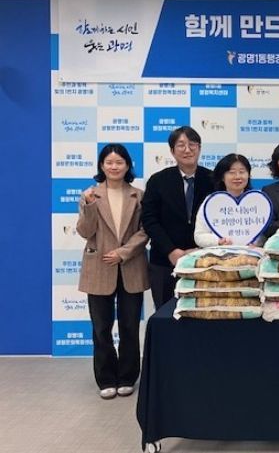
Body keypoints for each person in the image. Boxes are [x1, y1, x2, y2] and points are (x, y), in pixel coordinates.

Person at [76, 143, 149, 400]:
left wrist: (123, 252)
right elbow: (85, 231)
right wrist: (88, 206)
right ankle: (106, 378)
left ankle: (127, 376)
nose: (114, 167)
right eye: (109, 162)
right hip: (99, 267)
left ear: (128, 166)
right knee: (101, 327)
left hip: (131, 266)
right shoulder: (90, 195)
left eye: (119, 162)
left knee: (129, 326)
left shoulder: (138, 195)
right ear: (101, 166)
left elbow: (145, 231)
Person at [141, 126, 214, 309]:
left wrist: (199, 249)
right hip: (165, 262)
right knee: (165, 315)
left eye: (192, 144)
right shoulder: (158, 181)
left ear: (199, 148)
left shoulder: (213, 180)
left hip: (204, 260)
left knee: (203, 315)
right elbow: (149, 220)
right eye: (181, 145)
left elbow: (218, 220)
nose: (187, 150)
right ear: (172, 151)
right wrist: (171, 251)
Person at [194, 153, 258, 247]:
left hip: (249, 253)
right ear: (222, 177)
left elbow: (264, 234)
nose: (237, 177)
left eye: (242, 172)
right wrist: (218, 241)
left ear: (248, 175)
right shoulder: (211, 201)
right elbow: (199, 236)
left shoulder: (257, 200)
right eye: (232, 172)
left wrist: (256, 242)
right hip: (218, 253)